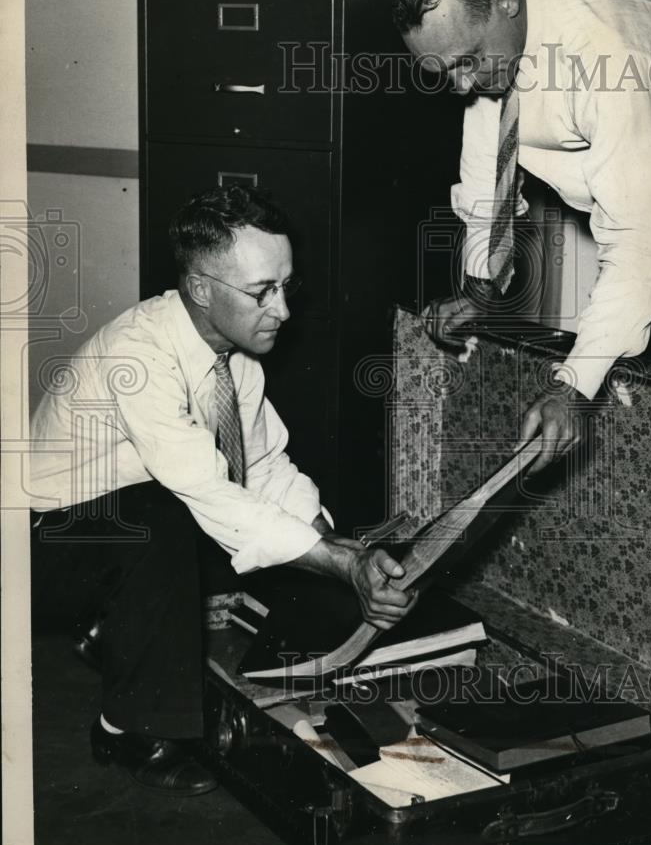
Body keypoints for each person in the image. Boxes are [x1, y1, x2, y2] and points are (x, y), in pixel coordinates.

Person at [29, 185, 414, 795]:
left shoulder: (236, 361)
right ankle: (124, 730)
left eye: (287, 286)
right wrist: (348, 566)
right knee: (167, 514)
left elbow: (262, 466)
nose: (283, 310)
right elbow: (208, 492)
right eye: (262, 292)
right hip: (37, 547)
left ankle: (115, 626)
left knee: (198, 518)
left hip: (119, 531)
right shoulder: (141, 355)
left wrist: (339, 549)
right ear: (201, 289)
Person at [390, 0, 651, 473]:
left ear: (505, 1)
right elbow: (486, 173)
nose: (457, 87)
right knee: (624, 365)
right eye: (441, 70)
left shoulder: (603, 54)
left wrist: (572, 388)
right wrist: (480, 288)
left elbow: (638, 247)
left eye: (466, 62)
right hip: (641, 164)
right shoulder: (489, 24)